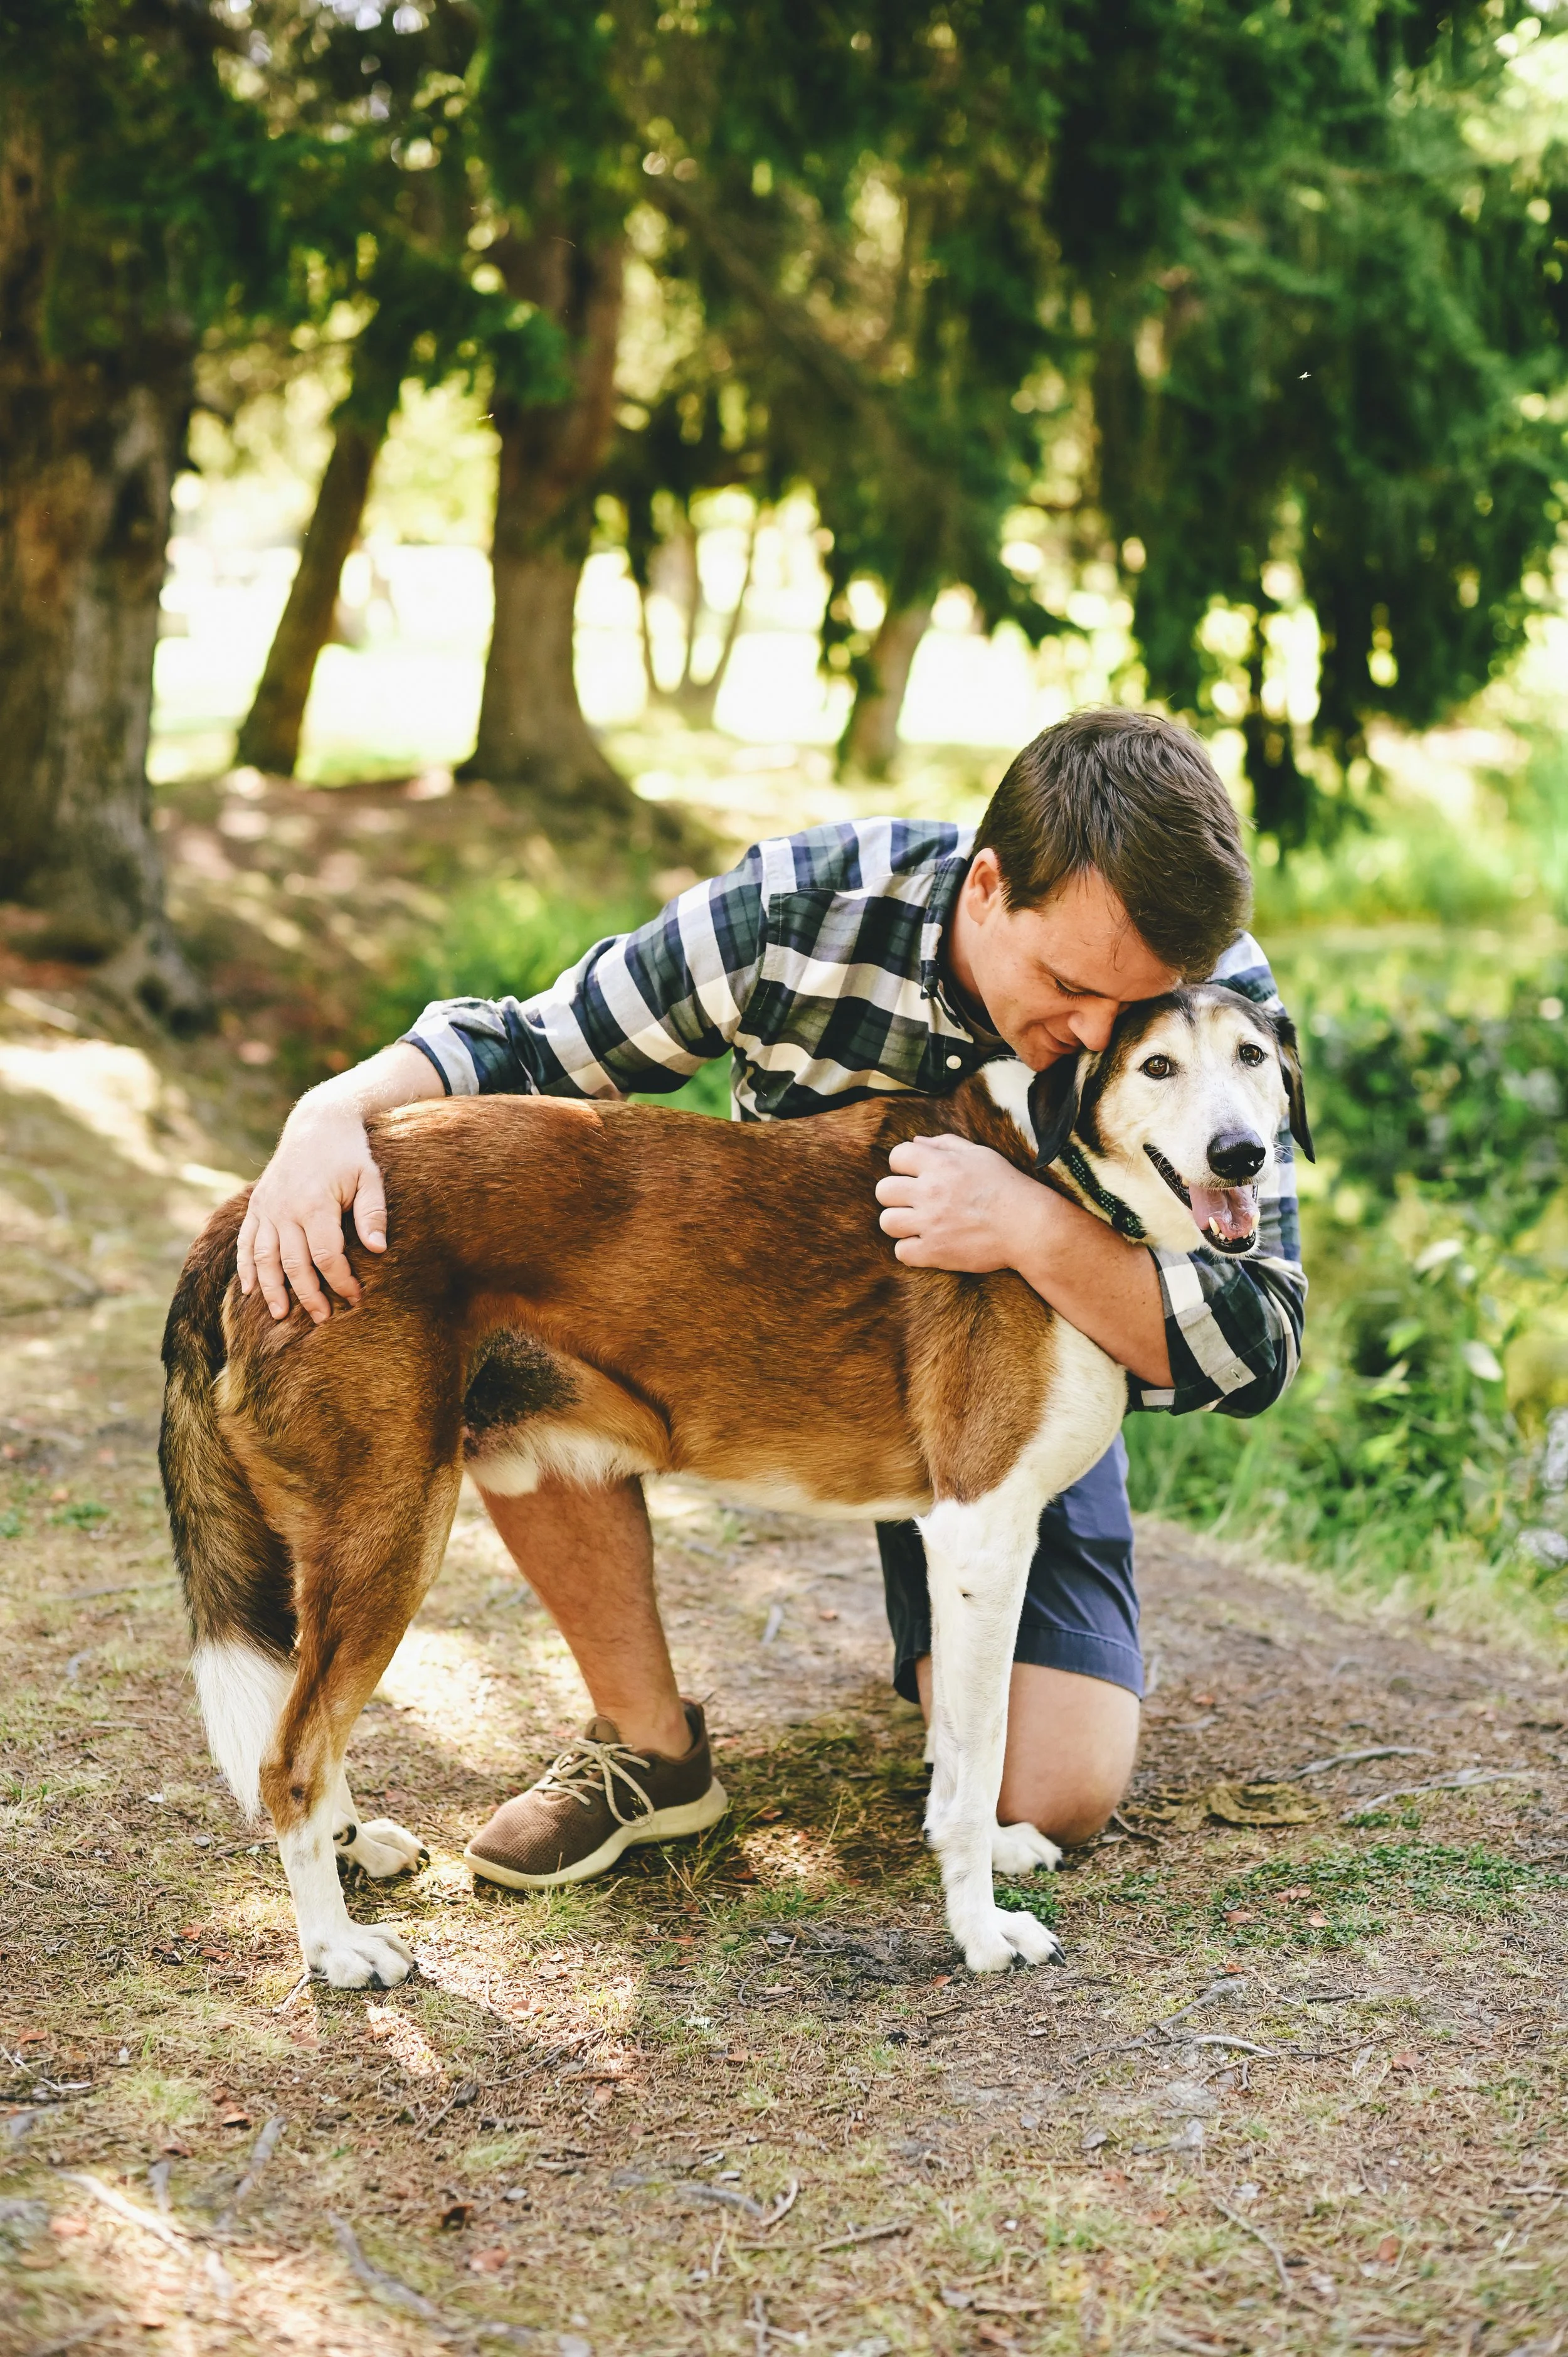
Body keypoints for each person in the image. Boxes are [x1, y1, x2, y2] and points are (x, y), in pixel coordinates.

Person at [236, 708, 1304, 1888]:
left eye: (1134, 1007)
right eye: (1068, 986)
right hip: (785, 1344)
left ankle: (949, 1645)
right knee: (543, 1283)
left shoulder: (1214, 999)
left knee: (1059, 1793)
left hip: (1038, 1366)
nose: (1097, 1038)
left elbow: (1257, 1342)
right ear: (990, 888)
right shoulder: (802, 909)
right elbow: (533, 1049)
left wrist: (1030, 1225)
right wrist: (329, 1109)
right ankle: (647, 1752)